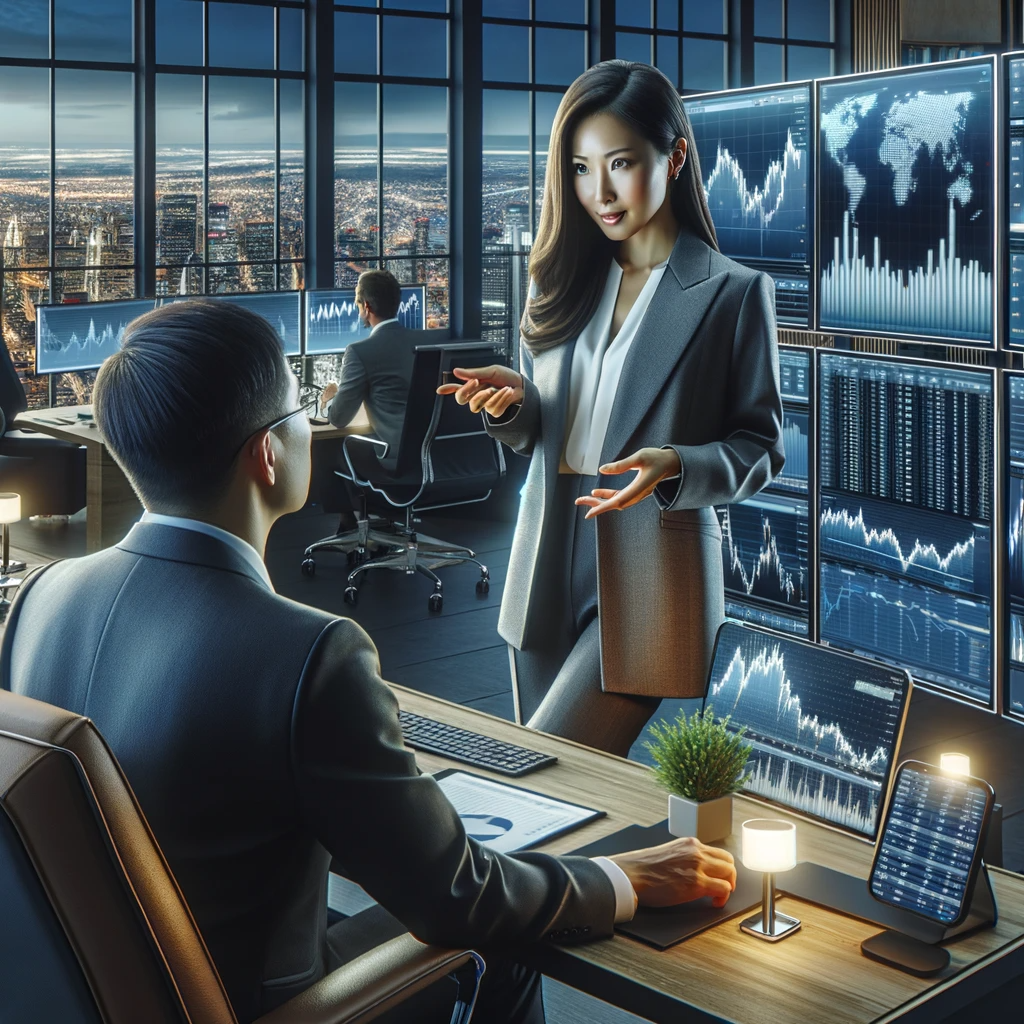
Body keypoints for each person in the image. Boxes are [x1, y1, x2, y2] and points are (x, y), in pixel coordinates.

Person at [0, 299, 737, 1024]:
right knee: (502, 946)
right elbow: (460, 897)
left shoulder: (39, 600)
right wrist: (622, 878)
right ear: (267, 452)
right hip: (263, 1001)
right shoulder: (306, 652)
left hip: (122, 985)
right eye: (298, 410)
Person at [439, 60, 784, 757]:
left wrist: (674, 466)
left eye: (620, 163)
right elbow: (546, 430)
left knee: (540, 761)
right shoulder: (561, 281)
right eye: (580, 167)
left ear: (676, 156)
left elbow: (761, 447)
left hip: (652, 559)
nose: (599, 191)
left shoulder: (733, 294)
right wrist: (512, 408)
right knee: (553, 794)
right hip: (545, 550)